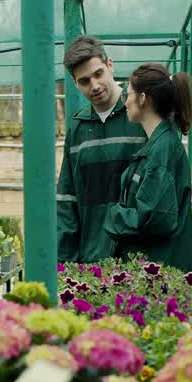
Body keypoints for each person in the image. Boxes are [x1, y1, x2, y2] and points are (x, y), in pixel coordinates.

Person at [57, 36, 148, 263]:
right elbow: (67, 200)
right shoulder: (77, 128)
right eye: (84, 81)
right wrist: (64, 263)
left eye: (98, 74)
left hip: (141, 263)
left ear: (110, 65)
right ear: (75, 83)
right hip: (92, 262)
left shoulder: (144, 114)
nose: (94, 86)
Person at [105, 63, 192, 274]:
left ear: (142, 98)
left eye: (128, 95)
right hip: (157, 269)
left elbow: (155, 217)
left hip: (162, 272)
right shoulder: (157, 144)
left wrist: (113, 215)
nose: (125, 102)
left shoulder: (162, 149)